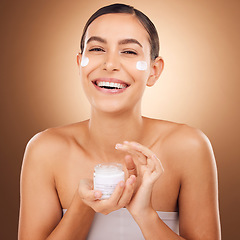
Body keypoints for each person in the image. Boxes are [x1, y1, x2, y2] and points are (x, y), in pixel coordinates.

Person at [18, 3, 221, 240]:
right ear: (79, 64)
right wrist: (83, 205)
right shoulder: (45, 149)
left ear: (154, 71)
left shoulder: (189, 146)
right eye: (96, 49)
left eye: (129, 51)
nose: (110, 64)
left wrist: (145, 214)